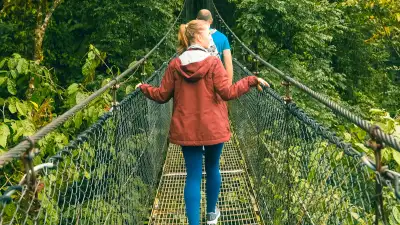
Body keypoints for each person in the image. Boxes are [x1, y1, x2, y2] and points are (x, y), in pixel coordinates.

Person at [135, 20, 269, 225]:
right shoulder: (213, 63)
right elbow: (227, 93)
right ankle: (211, 216)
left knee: (193, 176)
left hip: (186, 129)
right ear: (198, 37)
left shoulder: (175, 64)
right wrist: (251, 80)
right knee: (213, 167)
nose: (211, 39)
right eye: (208, 34)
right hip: (213, 127)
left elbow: (162, 95)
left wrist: (144, 87)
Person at [197, 9, 233, 85]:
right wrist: (228, 87)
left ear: (196, 20)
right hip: (216, 80)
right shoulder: (223, 38)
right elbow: (228, 64)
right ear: (211, 21)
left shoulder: (191, 36)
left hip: (197, 82)